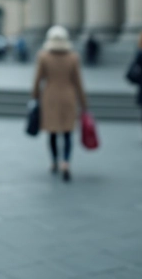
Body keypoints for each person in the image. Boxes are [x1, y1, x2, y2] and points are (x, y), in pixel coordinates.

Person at [32, 26, 87, 182]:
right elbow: (78, 82)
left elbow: (37, 80)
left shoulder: (43, 56)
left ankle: (54, 161)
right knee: (68, 132)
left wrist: (35, 96)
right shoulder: (73, 57)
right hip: (69, 96)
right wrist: (83, 102)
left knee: (52, 132)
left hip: (50, 97)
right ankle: (66, 162)